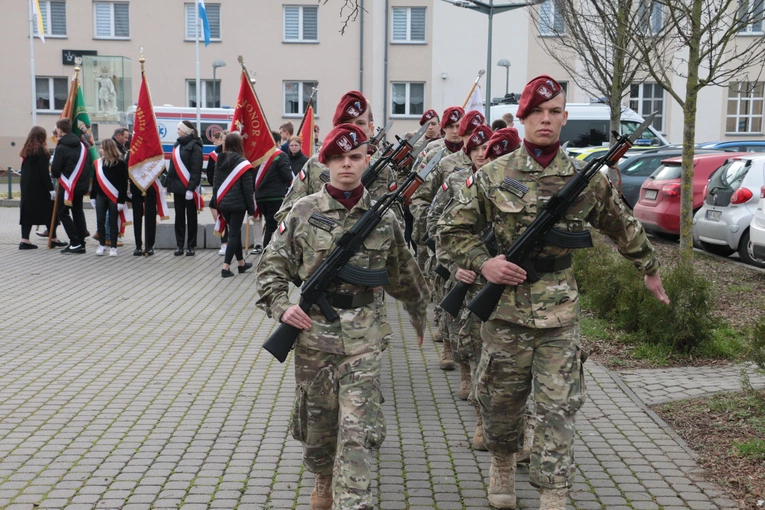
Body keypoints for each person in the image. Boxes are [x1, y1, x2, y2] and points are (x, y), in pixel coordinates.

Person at [438, 75, 669, 509]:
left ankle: (554, 489)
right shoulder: (493, 174)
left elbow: (622, 225)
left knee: (559, 407)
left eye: (554, 112)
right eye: (537, 112)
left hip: (559, 313)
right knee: (502, 404)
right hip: (505, 312)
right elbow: (449, 231)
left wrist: (649, 269)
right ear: (523, 118)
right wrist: (483, 262)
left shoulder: (585, 179)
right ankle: (503, 464)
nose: (546, 120)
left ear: (564, 118)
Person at [255, 124, 429, 510]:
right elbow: (270, 271)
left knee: (356, 427)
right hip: (314, 334)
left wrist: (422, 316)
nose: (347, 164)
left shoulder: (384, 217)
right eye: (339, 158)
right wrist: (284, 307)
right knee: (319, 425)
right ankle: (322, 473)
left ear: (367, 160)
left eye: (355, 157)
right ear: (325, 161)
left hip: (365, 336)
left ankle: (354, 500)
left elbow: (406, 273)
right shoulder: (303, 212)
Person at [428, 126, 521, 454]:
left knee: (512, 368)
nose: (484, 154)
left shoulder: (522, 191)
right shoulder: (460, 183)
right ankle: (483, 419)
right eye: (479, 148)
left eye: (492, 150)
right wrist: (457, 268)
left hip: (517, 291)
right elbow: (438, 228)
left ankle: (518, 431)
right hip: (474, 286)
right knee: (479, 353)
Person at [411, 110, 486, 373]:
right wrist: (433, 240)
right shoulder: (444, 162)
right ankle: (450, 349)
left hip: (485, 251)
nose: (456, 132)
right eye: (454, 128)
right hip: (448, 245)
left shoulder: (498, 169)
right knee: (448, 295)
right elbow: (423, 200)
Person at [274, 90, 398, 226]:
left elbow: (397, 226)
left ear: (371, 128)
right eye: (346, 122)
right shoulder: (315, 165)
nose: (353, 129)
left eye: (360, 123)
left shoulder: (384, 171)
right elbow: (286, 215)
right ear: (336, 128)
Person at [212, 132, 255, 277]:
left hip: (223, 203)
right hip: (238, 204)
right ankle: (226, 267)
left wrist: (217, 202)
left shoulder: (219, 160)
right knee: (234, 234)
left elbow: (215, 184)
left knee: (234, 233)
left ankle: (241, 264)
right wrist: (251, 208)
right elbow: (248, 188)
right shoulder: (243, 163)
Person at [51, 118, 91, 254]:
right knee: (78, 212)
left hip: (67, 186)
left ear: (60, 130)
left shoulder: (61, 147)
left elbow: (55, 170)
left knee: (62, 212)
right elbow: (87, 166)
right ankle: (82, 243)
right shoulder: (82, 146)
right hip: (80, 186)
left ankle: (74, 242)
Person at [18, 126, 60, 250]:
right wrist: (51, 189)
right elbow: (44, 172)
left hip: (27, 186)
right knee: (50, 211)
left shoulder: (26, 150)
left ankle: (24, 240)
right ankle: (53, 238)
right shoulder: (41, 151)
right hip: (40, 187)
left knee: (27, 212)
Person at [166, 120, 203, 256]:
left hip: (189, 189)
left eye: (179, 129)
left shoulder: (195, 147)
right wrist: (169, 185)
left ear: (186, 131)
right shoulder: (177, 146)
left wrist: (191, 188)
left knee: (191, 218)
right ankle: (180, 245)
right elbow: (173, 168)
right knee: (179, 217)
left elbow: (196, 170)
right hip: (177, 188)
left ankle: (191, 246)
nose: (177, 131)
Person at [91, 139, 128, 257]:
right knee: (100, 221)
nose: (100, 150)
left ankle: (113, 246)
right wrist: (92, 197)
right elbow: (95, 181)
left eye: (102, 147)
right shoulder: (98, 163)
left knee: (113, 222)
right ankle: (101, 245)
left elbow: (123, 184)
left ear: (108, 149)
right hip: (100, 196)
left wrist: (121, 200)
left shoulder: (120, 163)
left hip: (114, 197)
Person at [254, 138, 292, 250]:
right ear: (277, 142)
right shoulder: (281, 155)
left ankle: (268, 252)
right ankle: (268, 253)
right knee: (273, 227)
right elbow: (287, 176)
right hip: (276, 196)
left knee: (269, 225)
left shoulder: (259, 157)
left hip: (261, 197)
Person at [207, 129, 229, 256]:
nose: (224, 142)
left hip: (232, 190)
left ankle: (230, 243)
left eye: (227, 140)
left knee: (229, 218)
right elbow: (210, 174)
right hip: (218, 189)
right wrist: (216, 185)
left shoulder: (235, 154)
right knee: (218, 214)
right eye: (223, 139)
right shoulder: (214, 155)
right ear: (220, 140)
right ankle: (224, 243)